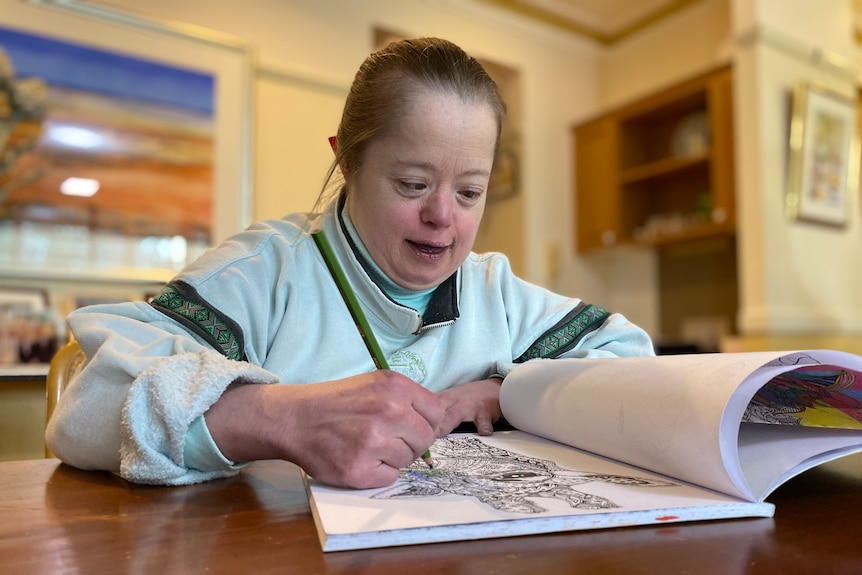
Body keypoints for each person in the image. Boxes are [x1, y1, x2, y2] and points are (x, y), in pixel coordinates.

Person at [46, 37, 654, 489]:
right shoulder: (269, 272)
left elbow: (632, 364)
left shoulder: (493, 290)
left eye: (470, 191)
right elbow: (84, 408)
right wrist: (269, 418)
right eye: (413, 183)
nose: (444, 217)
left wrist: (502, 392)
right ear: (347, 162)